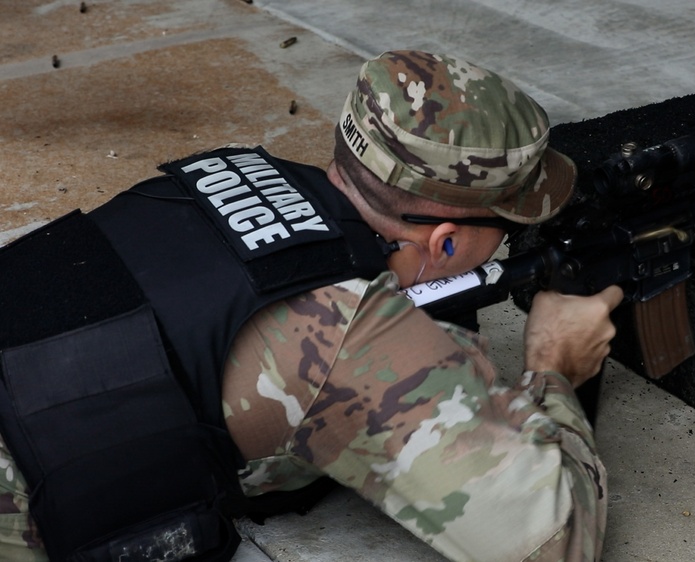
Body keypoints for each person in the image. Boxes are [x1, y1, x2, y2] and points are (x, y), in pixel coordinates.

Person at [0, 50, 622, 562]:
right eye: (506, 229)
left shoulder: (229, 171)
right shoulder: (353, 339)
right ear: (446, 241)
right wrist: (555, 368)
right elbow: (553, 541)